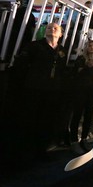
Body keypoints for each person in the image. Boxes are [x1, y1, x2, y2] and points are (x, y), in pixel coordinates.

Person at [6, 23, 68, 161]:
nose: (52, 29)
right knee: (30, 119)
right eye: (49, 28)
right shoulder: (34, 46)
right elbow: (21, 66)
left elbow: (62, 71)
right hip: (34, 88)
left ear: (61, 34)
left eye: (55, 28)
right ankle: (24, 150)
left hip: (52, 91)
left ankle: (41, 150)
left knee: (46, 120)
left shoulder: (62, 50)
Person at [69, 39, 93, 151]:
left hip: (91, 91)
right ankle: (73, 140)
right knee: (77, 115)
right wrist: (87, 66)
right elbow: (76, 73)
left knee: (89, 116)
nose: (92, 48)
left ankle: (84, 139)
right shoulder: (81, 59)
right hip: (80, 90)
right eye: (90, 45)